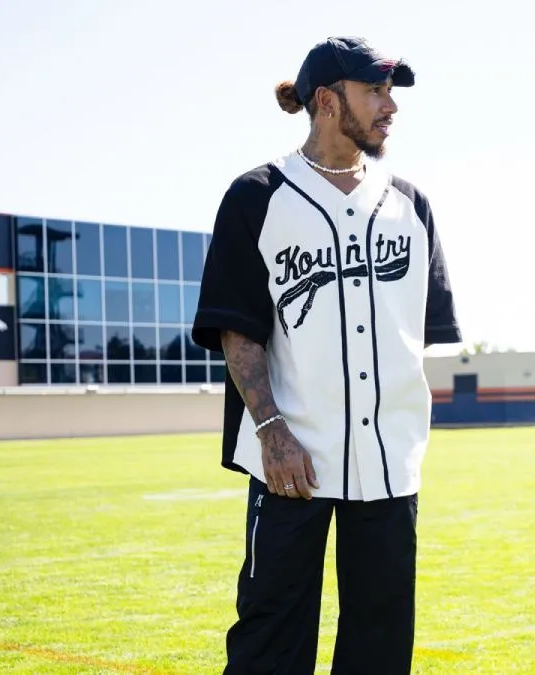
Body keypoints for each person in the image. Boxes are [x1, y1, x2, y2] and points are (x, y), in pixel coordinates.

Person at [191, 35, 462, 674]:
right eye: (375, 91)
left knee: (380, 646)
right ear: (327, 100)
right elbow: (237, 330)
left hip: (388, 463)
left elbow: (415, 335)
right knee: (270, 642)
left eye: (391, 92)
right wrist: (270, 429)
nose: (389, 105)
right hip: (291, 460)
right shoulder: (257, 195)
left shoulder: (411, 204)